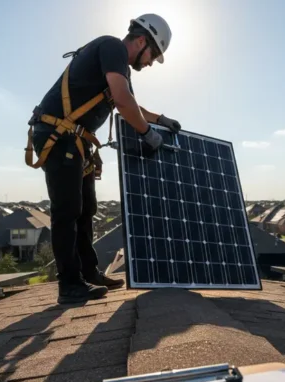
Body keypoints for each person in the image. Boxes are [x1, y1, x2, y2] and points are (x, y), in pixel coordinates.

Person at [28, 14, 182, 304]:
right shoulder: (112, 47)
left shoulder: (120, 66)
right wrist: (148, 133)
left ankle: (89, 272)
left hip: (75, 139)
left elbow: (131, 102)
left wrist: (160, 118)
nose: (149, 63)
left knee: (87, 208)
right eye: (153, 55)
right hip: (57, 134)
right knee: (68, 209)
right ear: (141, 41)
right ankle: (70, 285)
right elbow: (122, 100)